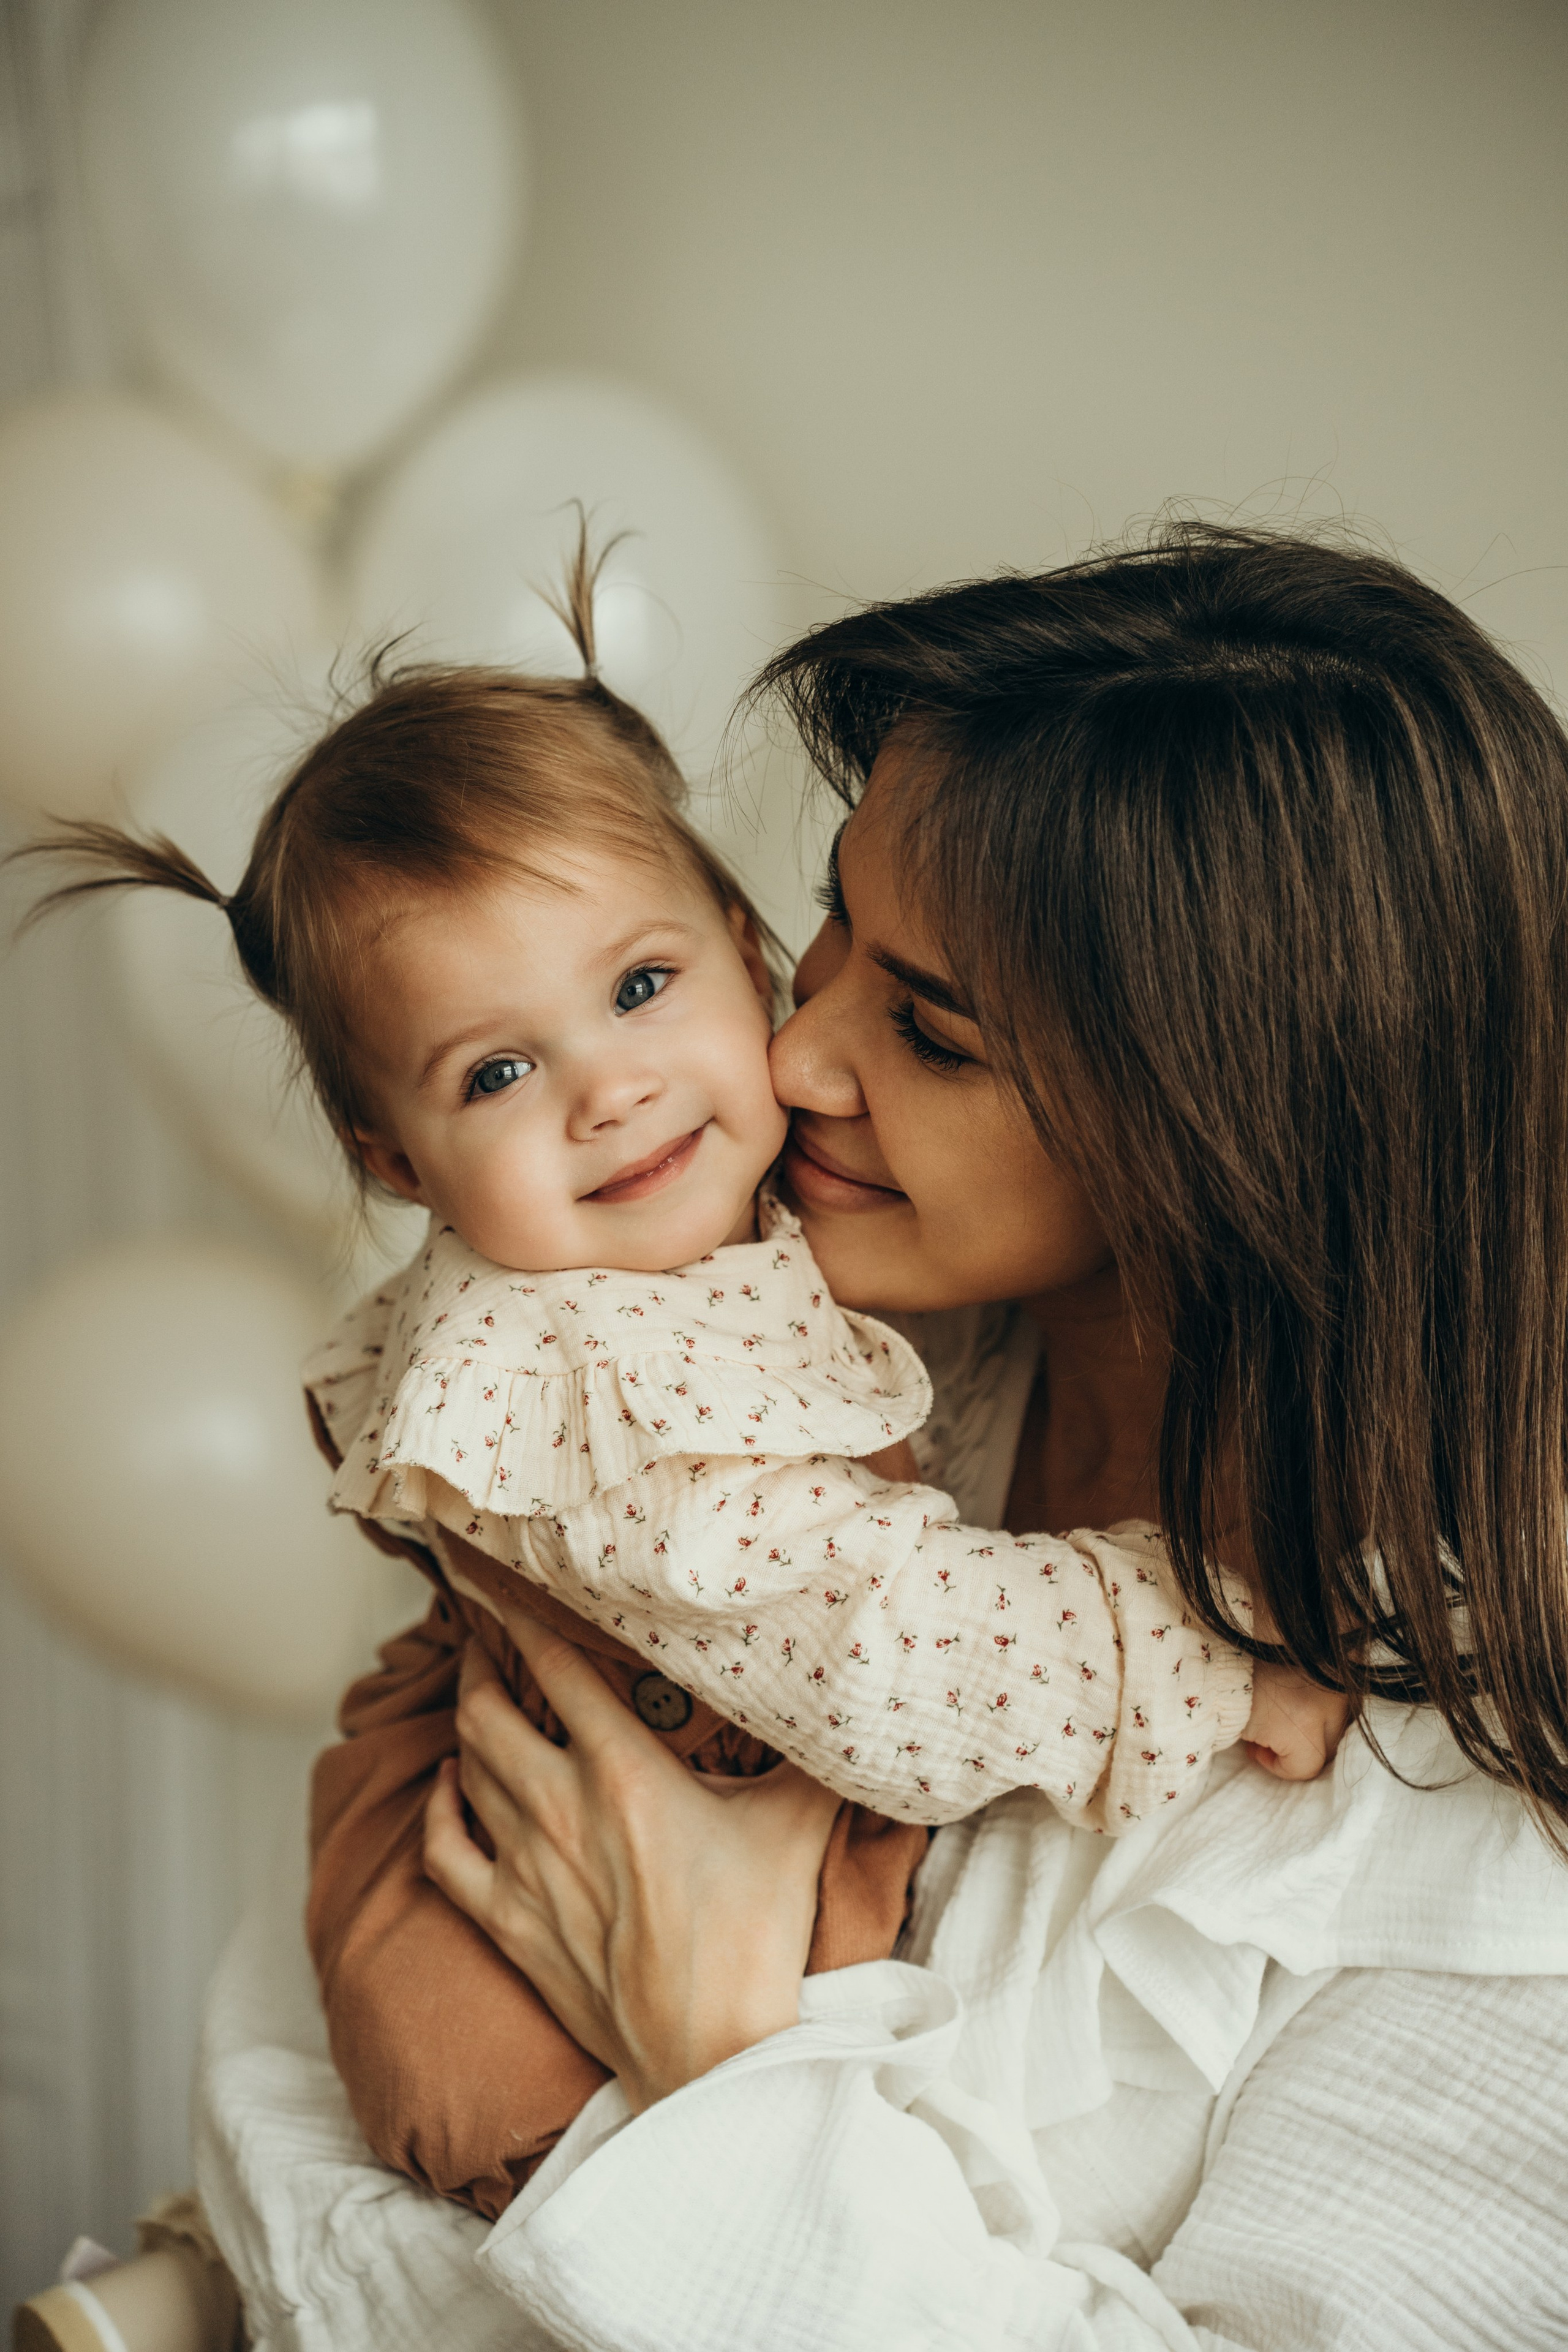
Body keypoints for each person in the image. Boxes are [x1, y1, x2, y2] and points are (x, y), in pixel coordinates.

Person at [196, 519, 1568, 2350]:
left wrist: (720, 2066)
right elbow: (288, 2070)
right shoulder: (784, 1352)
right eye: (828, 922)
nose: (794, 1052)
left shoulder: (1484, 1833)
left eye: (928, 1028)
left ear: (1232, 1129)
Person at [10, 533, 1317, 2230]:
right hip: (515, 1922)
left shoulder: (756, 1218)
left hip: (725, 1772)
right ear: (391, 1158)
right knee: (530, 2166)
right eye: (494, 1072)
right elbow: (872, 1632)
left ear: (742, 946)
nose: (610, 1092)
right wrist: (1195, 1653)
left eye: (639, 988)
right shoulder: (574, 1368)